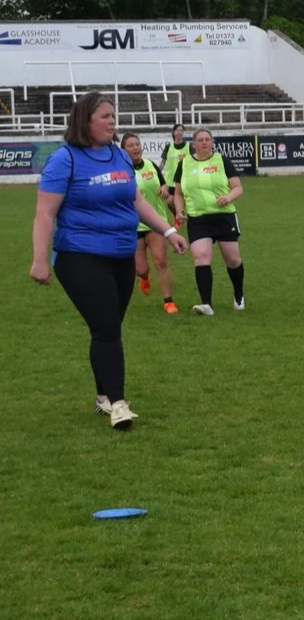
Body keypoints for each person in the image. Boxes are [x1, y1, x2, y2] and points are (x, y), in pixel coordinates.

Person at [29, 92, 188, 430]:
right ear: (85, 120)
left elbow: (136, 201)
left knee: (107, 329)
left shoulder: (117, 155)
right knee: (107, 329)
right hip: (79, 257)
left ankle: (102, 395)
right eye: (105, 116)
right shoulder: (65, 159)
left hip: (120, 256)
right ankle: (118, 403)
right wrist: (39, 260)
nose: (113, 121)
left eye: (114, 115)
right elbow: (45, 213)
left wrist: (170, 230)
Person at [173, 128, 246, 316]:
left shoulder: (222, 160)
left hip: (223, 216)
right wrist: (179, 209)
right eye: (200, 140)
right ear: (194, 144)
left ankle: (239, 294)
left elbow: (238, 188)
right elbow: (178, 193)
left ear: (212, 142)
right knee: (201, 256)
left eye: (208, 139)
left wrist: (228, 197)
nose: (204, 142)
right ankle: (207, 304)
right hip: (198, 219)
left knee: (232, 259)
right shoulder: (185, 164)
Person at [122, 132, 179, 313]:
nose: (135, 148)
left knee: (161, 262)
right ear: (123, 150)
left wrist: (164, 189)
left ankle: (168, 301)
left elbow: (164, 187)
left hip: (156, 222)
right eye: (130, 145)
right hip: (133, 225)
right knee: (140, 269)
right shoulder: (121, 170)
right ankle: (144, 277)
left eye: (137, 144)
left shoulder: (151, 165)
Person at [160, 123, 191, 226]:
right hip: (169, 180)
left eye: (181, 130)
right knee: (169, 201)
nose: (179, 132)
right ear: (173, 133)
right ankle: (178, 215)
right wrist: (158, 173)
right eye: (177, 130)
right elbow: (163, 162)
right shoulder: (168, 147)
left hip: (182, 180)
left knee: (182, 201)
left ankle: (181, 218)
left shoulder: (188, 147)